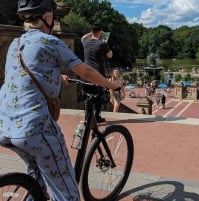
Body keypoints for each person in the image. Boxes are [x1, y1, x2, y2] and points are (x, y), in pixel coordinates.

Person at [0, 1, 121, 200]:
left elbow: (23, 76)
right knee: (67, 193)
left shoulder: (15, 44)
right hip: (34, 128)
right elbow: (84, 71)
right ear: (47, 17)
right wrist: (111, 85)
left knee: (36, 174)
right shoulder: (51, 42)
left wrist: (56, 76)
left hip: (5, 127)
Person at [81, 23, 113, 123]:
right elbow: (110, 55)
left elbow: (82, 37)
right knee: (99, 95)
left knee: (87, 95)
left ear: (91, 32)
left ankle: (87, 117)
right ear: (100, 32)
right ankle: (97, 116)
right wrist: (104, 42)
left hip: (86, 73)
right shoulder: (102, 44)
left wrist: (90, 33)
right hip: (98, 73)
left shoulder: (86, 42)